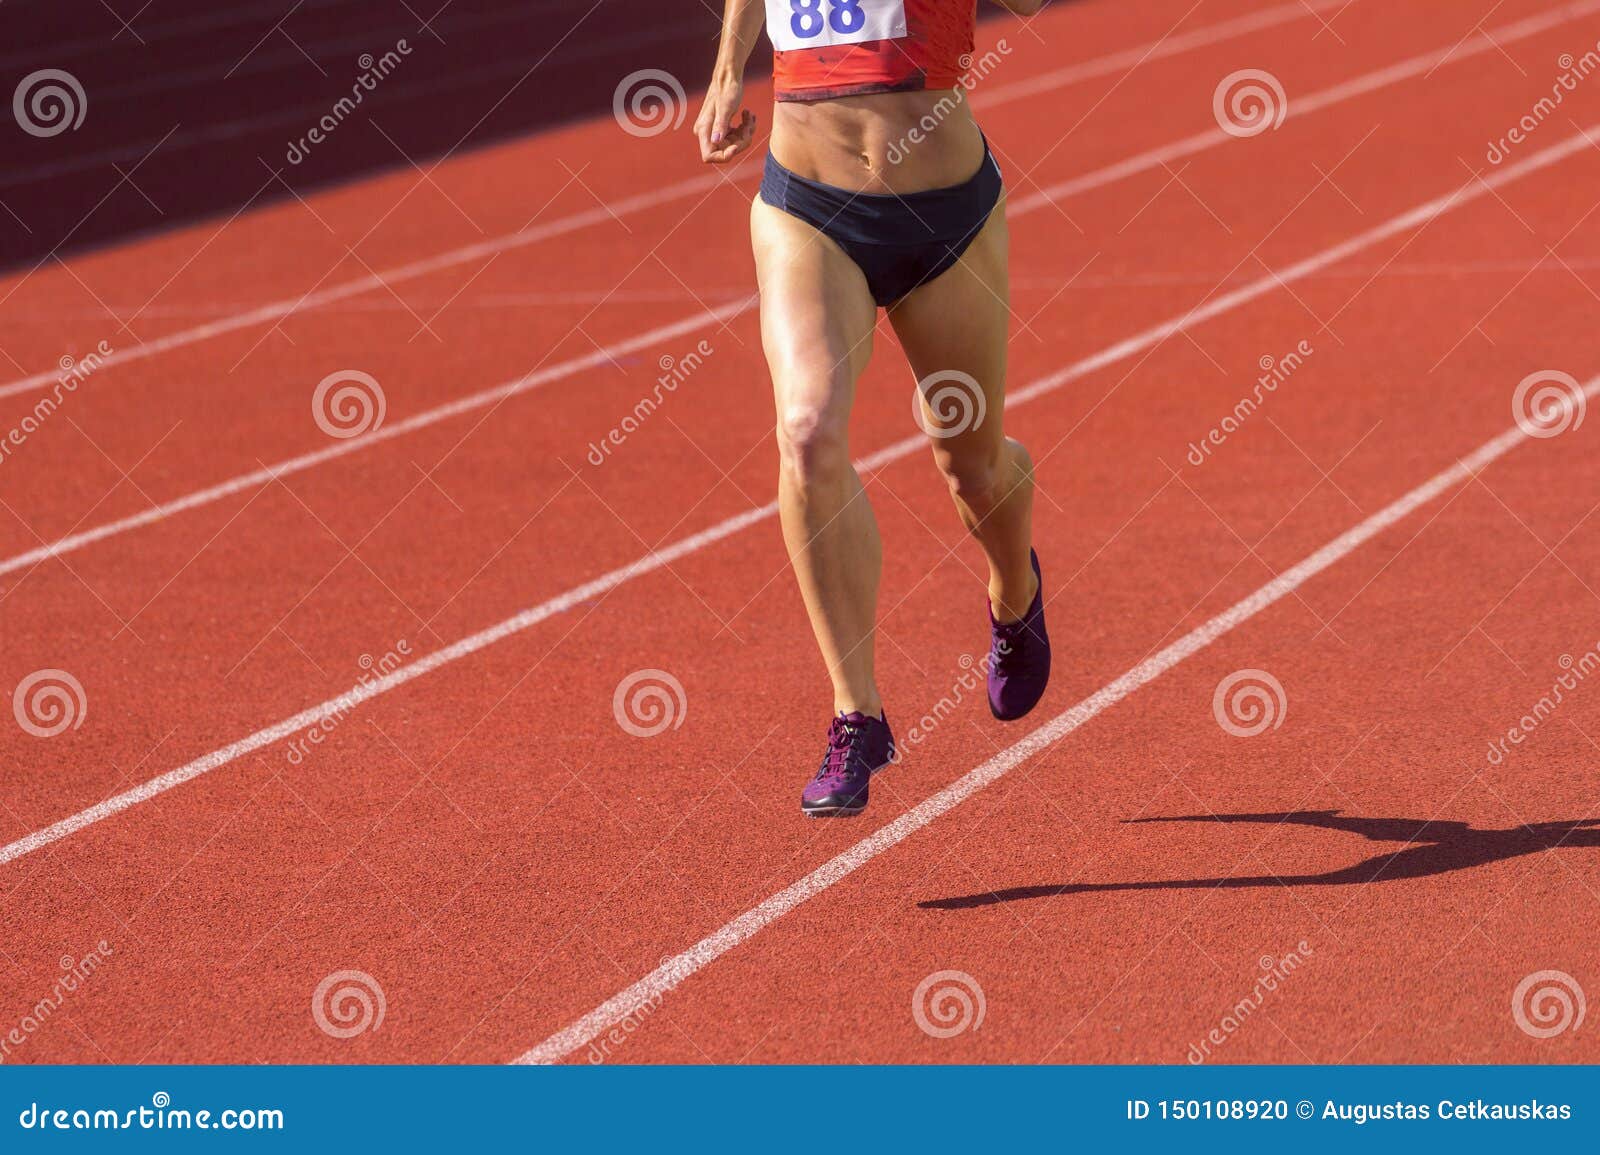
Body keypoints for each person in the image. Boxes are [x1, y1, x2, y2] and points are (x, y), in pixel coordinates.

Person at [695, 0, 1050, 817]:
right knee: (807, 430)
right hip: (807, 207)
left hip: (946, 213)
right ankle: (858, 713)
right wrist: (723, 78)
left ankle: (1013, 592)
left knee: (972, 461)